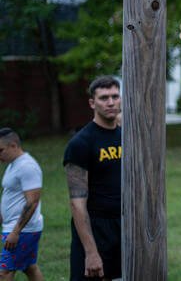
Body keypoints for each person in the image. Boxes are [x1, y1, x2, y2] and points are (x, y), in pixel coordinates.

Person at [63, 76, 122, 281]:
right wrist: (91, 252)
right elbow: (76, 203)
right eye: (104, 98)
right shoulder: (81, 143)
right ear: (92, 103)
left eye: (115, 96)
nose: (111, 102)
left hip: (124, 226)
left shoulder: (127, 137)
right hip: (95, 228)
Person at [0, 128, 44, 281]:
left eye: (1, 150)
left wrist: (15, 232)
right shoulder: (13, 165)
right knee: (29, 267)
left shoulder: (27, 166)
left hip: (22, 230)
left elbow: (32, 202)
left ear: (13, 146)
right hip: (15, 228)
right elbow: (10, 196)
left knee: (4, 272)